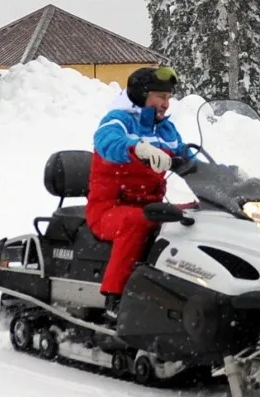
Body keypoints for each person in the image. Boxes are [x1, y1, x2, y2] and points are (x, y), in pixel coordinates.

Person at [86, 66, 193, 326]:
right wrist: (136, 148)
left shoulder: (166, 130)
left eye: (168, 98)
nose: (166, 104)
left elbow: (190, 160)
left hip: (151, 206)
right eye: (160, 96)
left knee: (195, 215)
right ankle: (116, 297)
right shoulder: (118, 119)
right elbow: (106, 142)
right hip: (108, 209)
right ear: (141, 94)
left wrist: (227, 177)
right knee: (137, 222)